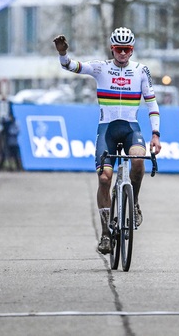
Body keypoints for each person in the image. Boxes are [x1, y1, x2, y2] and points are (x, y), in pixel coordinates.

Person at [53, 27, 161, 255]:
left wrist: (155, 134)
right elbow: (72, 66)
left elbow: (152, 104)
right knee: (104, 178)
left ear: (132, 51)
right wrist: (63, 54)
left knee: (139, 161)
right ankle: (105, 234)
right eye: (119, 49)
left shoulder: (141, 70)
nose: (122, 54)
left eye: (127, 50)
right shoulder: (101, 68)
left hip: (131, 127)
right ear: (112, 49)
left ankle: (134, 203)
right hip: (107, 131)